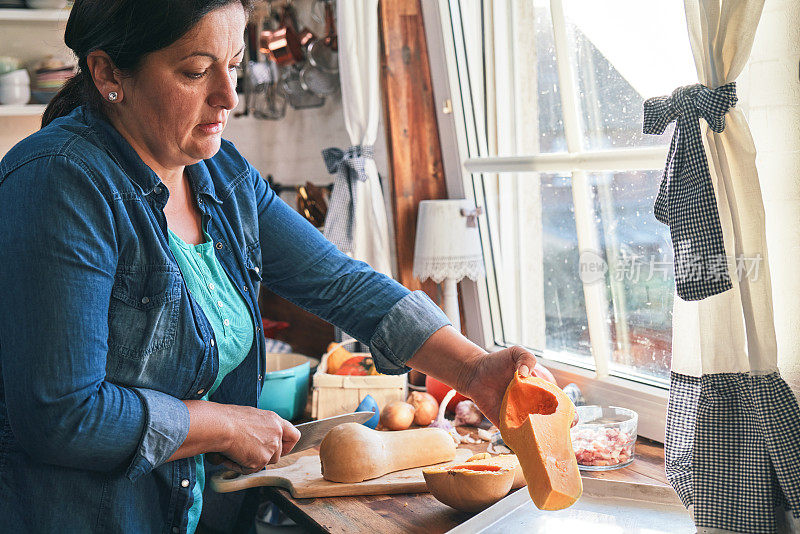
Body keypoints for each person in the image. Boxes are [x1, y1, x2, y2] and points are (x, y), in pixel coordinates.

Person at [0, 1, 537, 532]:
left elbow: (339, 282)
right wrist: (222, 424)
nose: (228, 97)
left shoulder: (220, 173)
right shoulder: (58, 182)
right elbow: (62, 415)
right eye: (195, 71)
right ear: (108, 72)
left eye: (233, 65)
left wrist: (473, 371)